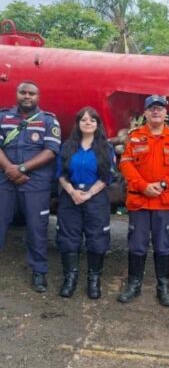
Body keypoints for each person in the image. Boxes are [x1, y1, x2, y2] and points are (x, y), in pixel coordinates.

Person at [118, 95, 169, 306]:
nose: (156, 111)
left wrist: (162, 185)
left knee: (163, 246)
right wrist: (143, 186)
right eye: (152, 108)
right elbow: (126, 164)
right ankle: (134, 285)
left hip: (164, 201)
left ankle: (163, 286)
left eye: (160, 108)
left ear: (166, 113)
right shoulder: (135, 137)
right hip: (140, 200)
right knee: (137, 245)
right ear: (145, 113)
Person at [0, 81, 61, 292]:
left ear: (38, 96)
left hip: (36, 183)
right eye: (23, 92)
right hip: (5, 180)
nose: (27, 96)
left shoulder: (48, 120)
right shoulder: (4, 117)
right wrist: (10, 169)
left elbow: (51, 150)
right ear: (17, 94)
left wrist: (22, 169)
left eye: (31, 93)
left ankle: (39, 272)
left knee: (37, 228)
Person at [56, 107, 116, 299]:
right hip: (70, 196)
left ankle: (94, 279)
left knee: (97, 239)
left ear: (98, 124)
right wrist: (73, 192)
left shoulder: (106, 148)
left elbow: (107, 177)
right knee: (68, 238)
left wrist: (89, 194)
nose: (88, 122)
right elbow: (61, 174)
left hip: (96, 197)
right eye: (83, 119)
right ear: (78, 123)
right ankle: (70, 278)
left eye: (92, 120)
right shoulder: (67, 146)